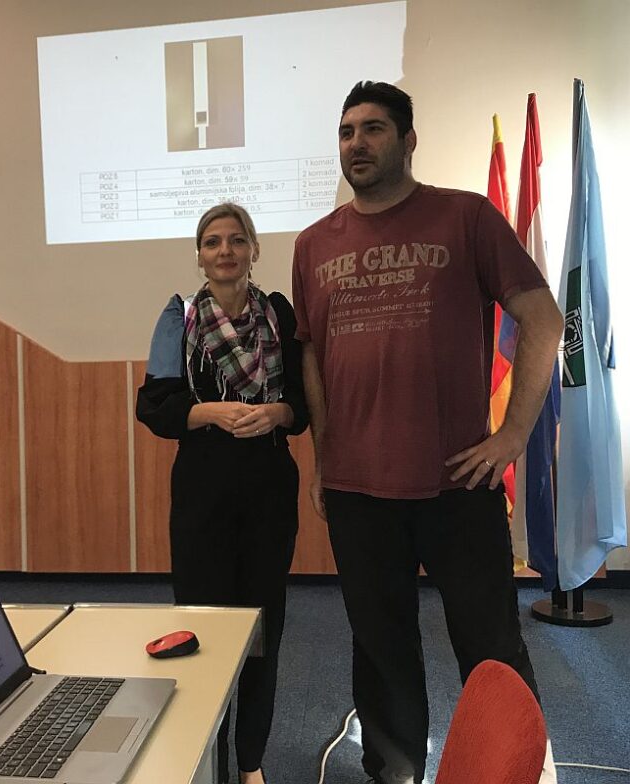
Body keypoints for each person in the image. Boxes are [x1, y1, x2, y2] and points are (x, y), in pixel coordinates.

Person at [292, 81, 564, 784]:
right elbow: (313, 357)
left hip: (457, 484)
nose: (357, 143)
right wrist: (324, 457)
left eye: (373, 129)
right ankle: (395, 773)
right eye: (347, 131)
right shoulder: (313, 244)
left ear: (408, 140)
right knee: (380, 651)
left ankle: (520, 771)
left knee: (492, 649)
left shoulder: (465, 217)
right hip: (356, 492)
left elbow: (544, 319)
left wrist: (512, 436)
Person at [137, 202, 308, 784]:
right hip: (202, 496)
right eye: (213, 242)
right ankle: (207, 756)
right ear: (200, 255)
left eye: (237, 240)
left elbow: (303, 405)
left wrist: (278, 413)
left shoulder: (279, 315)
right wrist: (209, 412)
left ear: (254, 250)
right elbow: (153, 408)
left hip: (268, 491)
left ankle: (251, 761)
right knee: (203, 630)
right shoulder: (179, 318)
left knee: (263, 628)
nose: (225, 251)